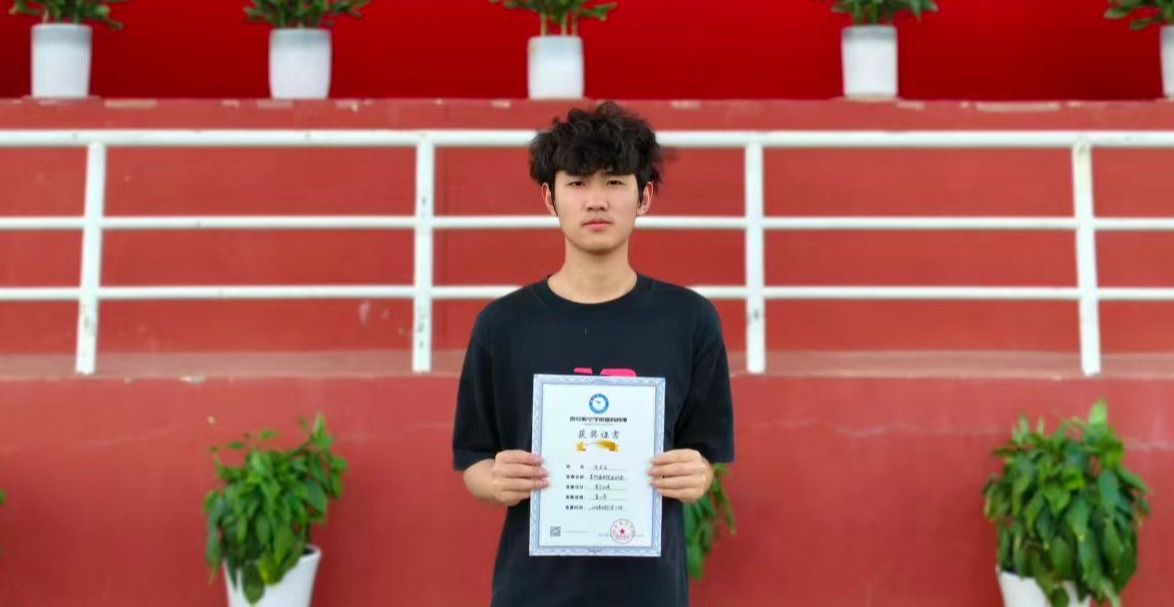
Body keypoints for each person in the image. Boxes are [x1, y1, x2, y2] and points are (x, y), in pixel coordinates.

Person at [451, 101, 735, 607]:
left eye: (615, 182)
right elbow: (474, 459)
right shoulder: (502, 325)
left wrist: (697, 475)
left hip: (650, 592)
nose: (596, 200)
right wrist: (496, 480)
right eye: (578, 183)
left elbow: (704, 454)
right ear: (550, 197)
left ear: (644, 196)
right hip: (532, 592)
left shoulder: (690, 320)